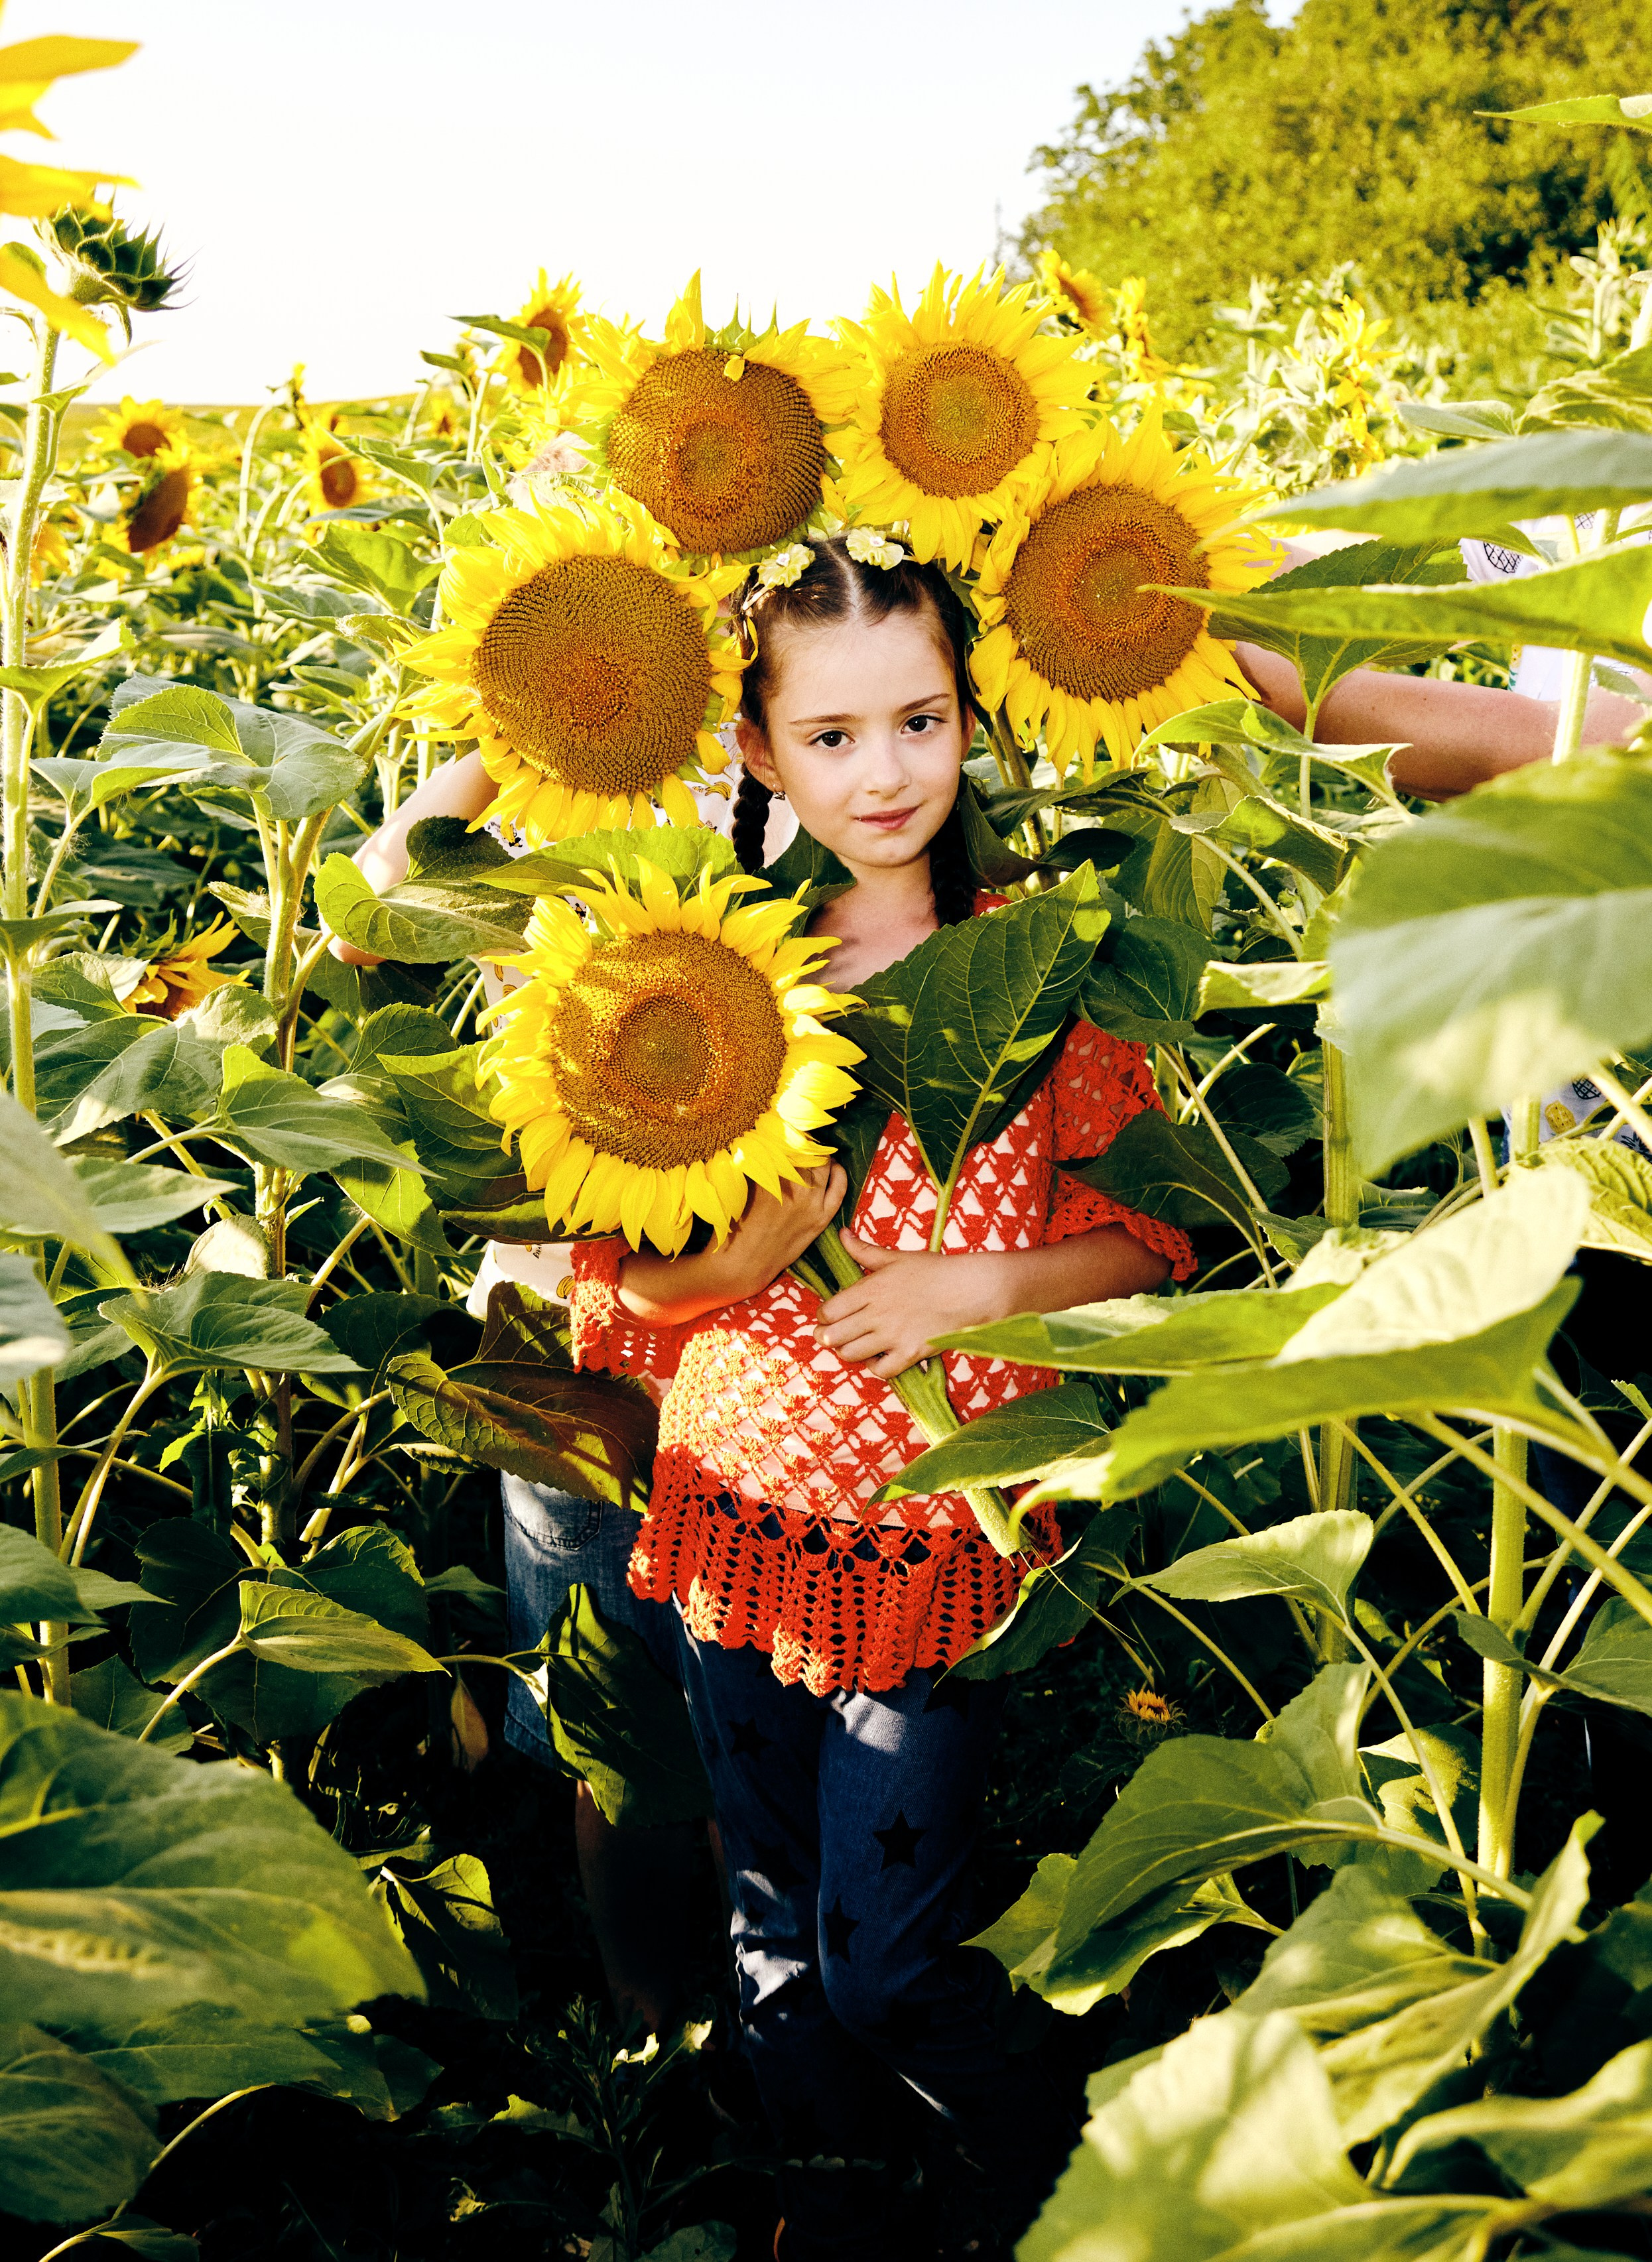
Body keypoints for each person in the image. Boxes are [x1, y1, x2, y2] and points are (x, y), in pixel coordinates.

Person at [562, 533, 1196, 2261]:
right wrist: (745, 1250)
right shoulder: (711, 984)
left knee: (886, 1953)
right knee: (770, 1940)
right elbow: (619, 1283)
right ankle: (829, 2212)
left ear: (970, 719)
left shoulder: (1047, 971)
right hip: (740, 1521)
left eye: (917, 720)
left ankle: (1047, 2193)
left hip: (944, 1536)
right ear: (756, 753)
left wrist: (977, 1285)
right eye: (830, 736)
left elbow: (1151, 1238)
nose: (885, 773)